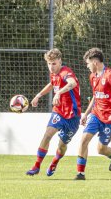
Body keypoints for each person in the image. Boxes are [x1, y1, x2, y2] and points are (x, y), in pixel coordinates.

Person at [75, 48, 111, 180]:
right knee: (83, 141)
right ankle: (80, 174)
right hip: (96, 115)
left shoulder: (110, 75)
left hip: (110, 119)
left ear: (94, 62)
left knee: (101, 149)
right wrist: (86, 114)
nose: (87, 66)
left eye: (88, 63)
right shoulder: (93, 76)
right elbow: (95, 96)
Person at [26, 48, 81, 176]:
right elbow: (52, 84)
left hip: (73, 116)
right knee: (47, 135)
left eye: (54, 63)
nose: (51, 67)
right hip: (59, 111)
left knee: (62, 145)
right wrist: (38, 95)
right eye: (49, 64)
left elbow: (72, 83)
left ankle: (55, 162)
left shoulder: (65, 72)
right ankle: (36, 166)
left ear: (60, 61)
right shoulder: (54, 74)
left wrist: (59, 93)